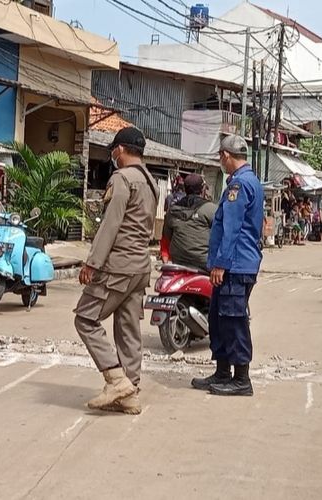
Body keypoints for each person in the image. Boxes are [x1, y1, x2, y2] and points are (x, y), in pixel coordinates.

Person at [73, 127, 158, 415]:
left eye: (113, 150)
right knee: (128, 330)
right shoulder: (151, 181)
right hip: (140, 266)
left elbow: (111, 224)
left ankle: (115, 379)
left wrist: (92, 263)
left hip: (118, 266)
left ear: (119, 150)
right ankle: (130, 394)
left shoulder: (123, 179)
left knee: (85, 318)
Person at [191, 135, 263, 397]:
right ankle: (222, 372)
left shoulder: (239, 186)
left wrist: (220, 263)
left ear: (225, 156)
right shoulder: (247, 181)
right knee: (219, 318)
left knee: (233, 320)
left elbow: (231, 229)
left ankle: (241, 379)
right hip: (235, 263)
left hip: (235, 265)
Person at [161, 173, 217, 270]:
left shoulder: (173, 210)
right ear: (202, 189)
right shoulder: (211, 209)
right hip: (203, 263)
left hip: (178, 261)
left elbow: (167, 236)